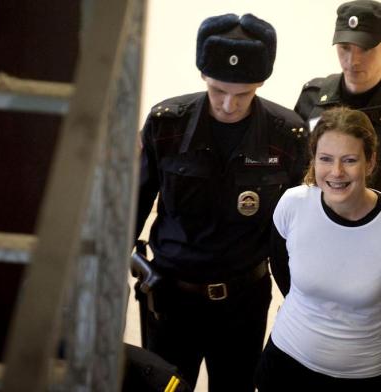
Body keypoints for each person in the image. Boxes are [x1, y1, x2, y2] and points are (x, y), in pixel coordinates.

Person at [133, 12, 308, 392]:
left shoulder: (286, 135)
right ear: (203, 78)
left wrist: (301, 297)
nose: (229, 104)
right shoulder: (167, 124)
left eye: (242, 94)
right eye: (218, 91)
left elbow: (296, 226)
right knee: (164, 387)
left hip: (243, 302)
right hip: (171, 298)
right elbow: (132, 206)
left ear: (260, 83)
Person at [255, 106, 381, 391]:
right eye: (325, 159)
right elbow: (281, 270)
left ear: (370, 162)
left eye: (350, 160)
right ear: (313, 160)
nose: (336, 172)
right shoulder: (293, 204)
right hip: (285, 364)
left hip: (362, 374)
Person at [295, 0, 381, 190]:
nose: (352, 61)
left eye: (365, 49)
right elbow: (296, 166)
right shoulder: (312, 97)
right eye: (345, 47)